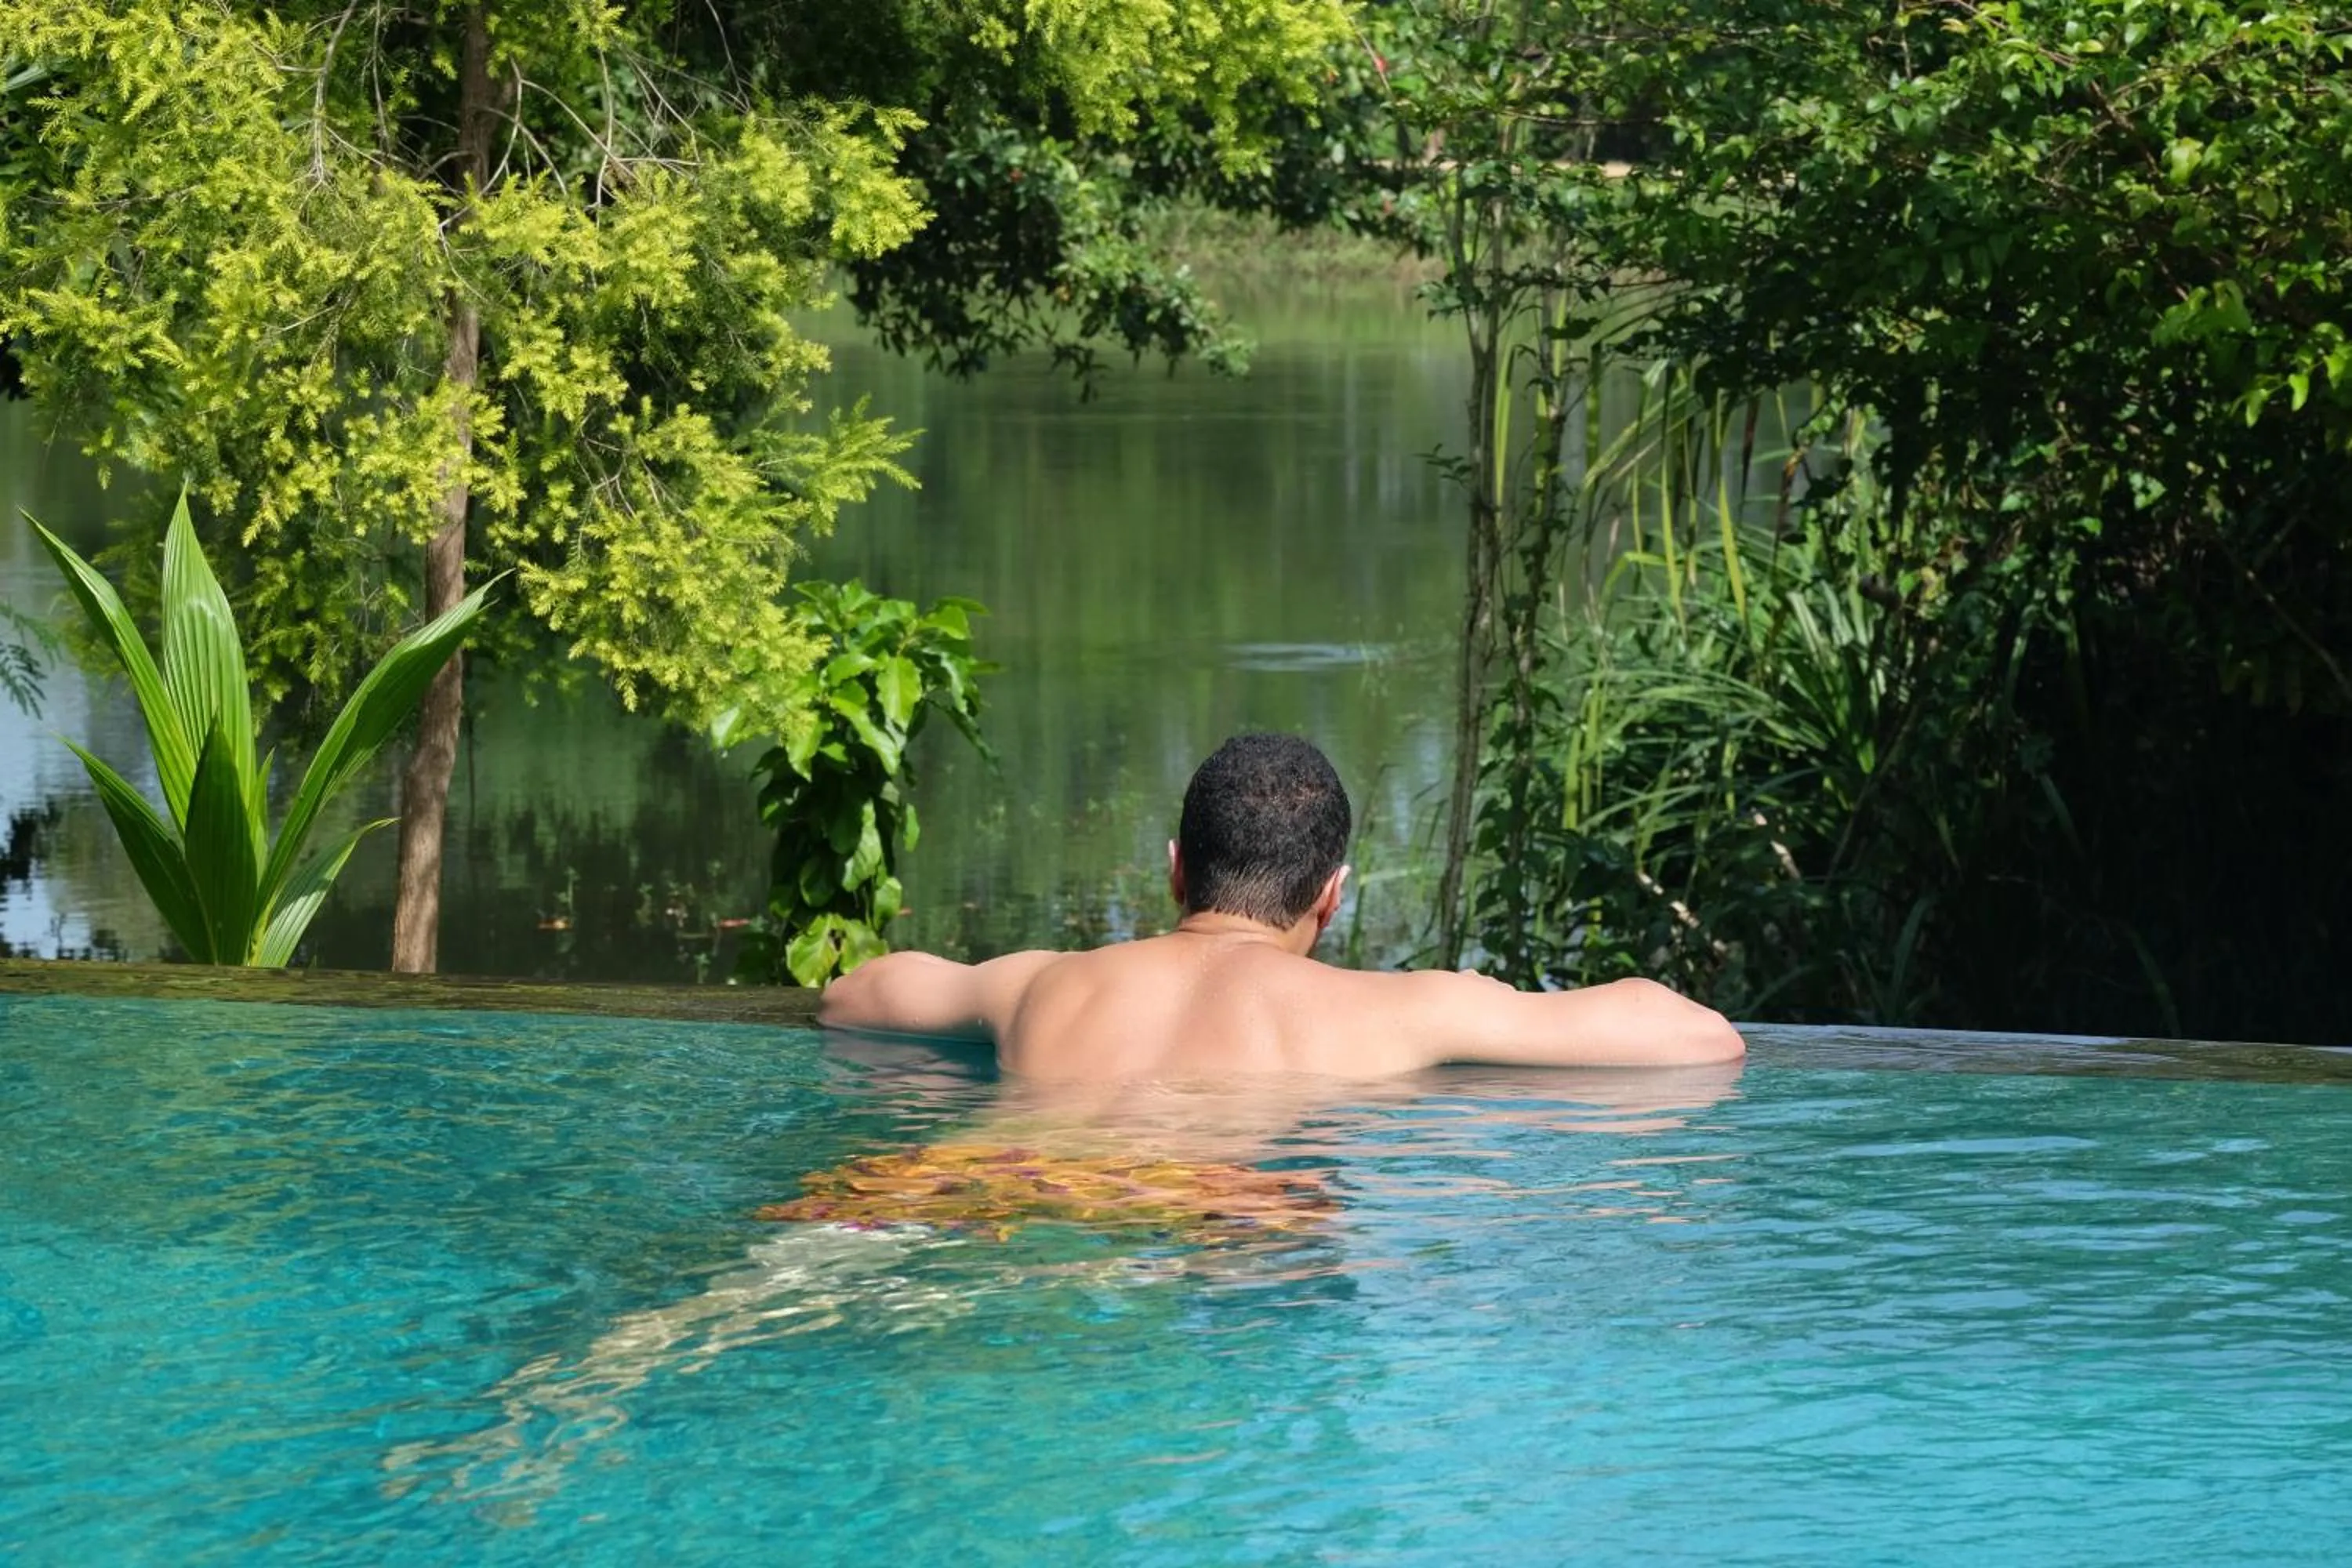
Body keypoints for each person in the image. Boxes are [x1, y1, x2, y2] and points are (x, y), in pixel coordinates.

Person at [822, 733, 1745, 1080]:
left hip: (966, 1186)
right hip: (1217, 1214)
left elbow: (856, 994)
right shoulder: (1403, 1011)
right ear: (1333, 896)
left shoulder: (1039, 982)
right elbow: (1700, 1035)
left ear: (1177, 869)